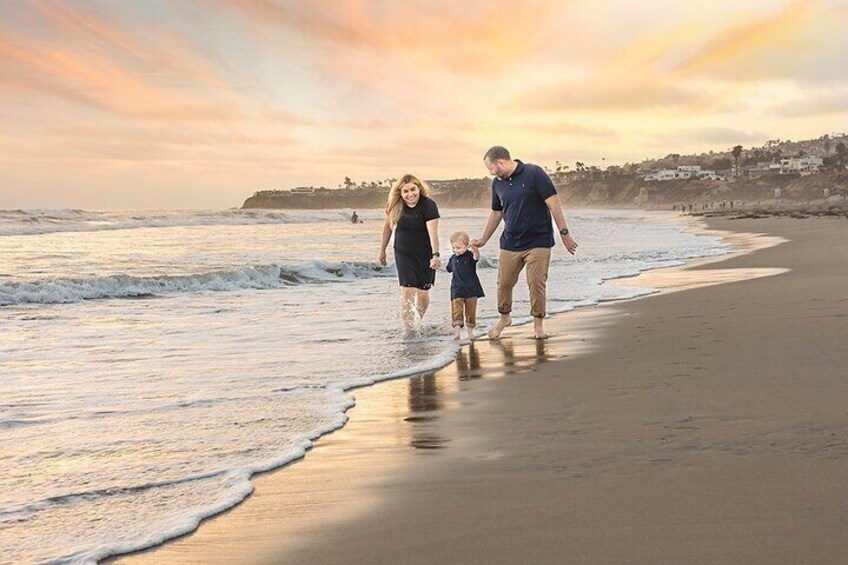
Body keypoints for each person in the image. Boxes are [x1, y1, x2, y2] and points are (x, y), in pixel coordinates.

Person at [472, 146, 578, 340]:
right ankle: (505, 318)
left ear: (501, 162)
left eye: (491, 168)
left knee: (536, 283)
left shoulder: (534, 173)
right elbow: (496, 213)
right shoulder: (497, 184)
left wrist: (564, 233)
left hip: (539, 240)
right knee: (504, 283)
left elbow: (554, 203)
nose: (491, 173)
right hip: (510, 242)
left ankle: (538, 325)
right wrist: (483, 239)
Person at [378, 174, 441, 328]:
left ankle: (418, 321)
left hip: (425, 253)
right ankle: (408, 327)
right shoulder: (395, 206)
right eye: (405, 191)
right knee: (408, 290)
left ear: (419, 188)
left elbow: (433, 233)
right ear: (400, 193)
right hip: (403, 252)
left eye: (413, 189)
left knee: (423, 292)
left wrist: (435, 255)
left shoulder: (428, 205)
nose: (410, 194)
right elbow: (387, 227)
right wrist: (382, 250)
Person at [445, 231, 485, 341]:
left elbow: (476, 258)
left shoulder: (469, 256)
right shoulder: (452, 258)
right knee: (456, 310)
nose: (455, 250)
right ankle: (457, 332)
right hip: (456, 289)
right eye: (453, 248)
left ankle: (470, 332)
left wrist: (475, 249)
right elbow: (448, 269)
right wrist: (437, 266)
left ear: (466, 246)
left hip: (470, 289)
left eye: (458, 248)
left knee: (470, 311)